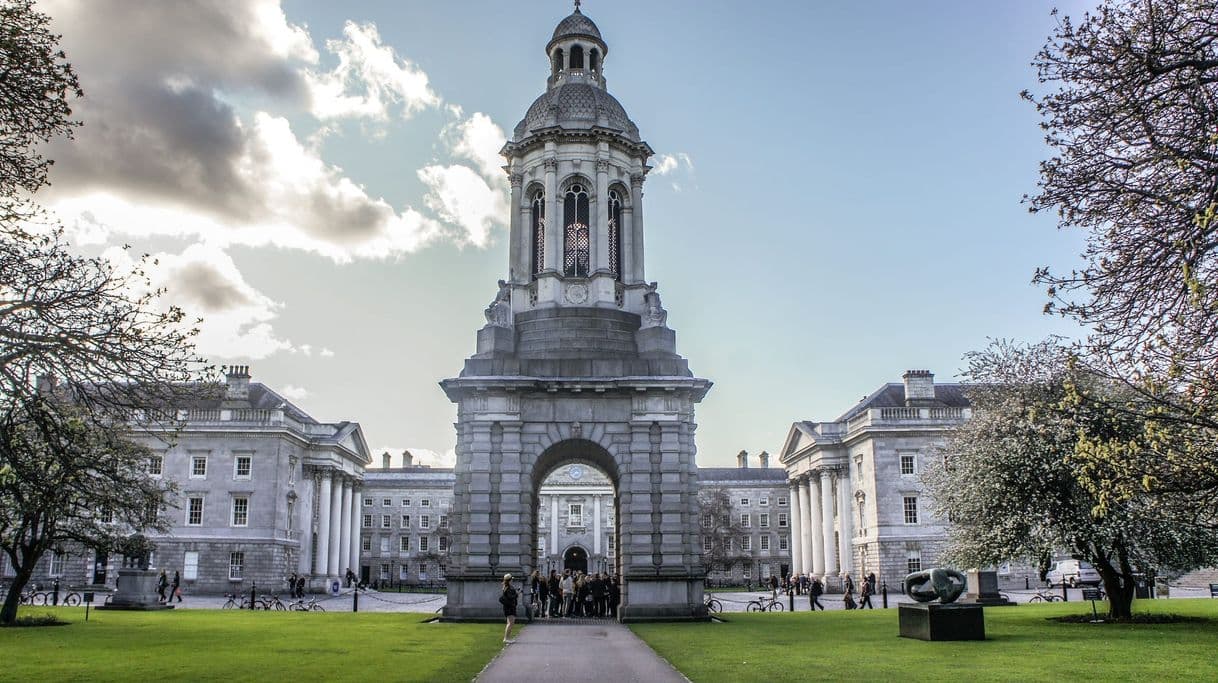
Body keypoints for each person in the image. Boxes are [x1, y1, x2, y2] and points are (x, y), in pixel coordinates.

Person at [499, 574, 518, 644]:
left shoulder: (507, 587)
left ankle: (508, 638)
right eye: (512, 579)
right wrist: (517, 594)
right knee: (510, 623)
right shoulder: (508, 588)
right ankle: (506, 638)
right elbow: (511, 597)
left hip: (509, 607)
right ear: (509, 581)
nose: (513, 580)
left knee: (510, 623)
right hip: (509, 607)